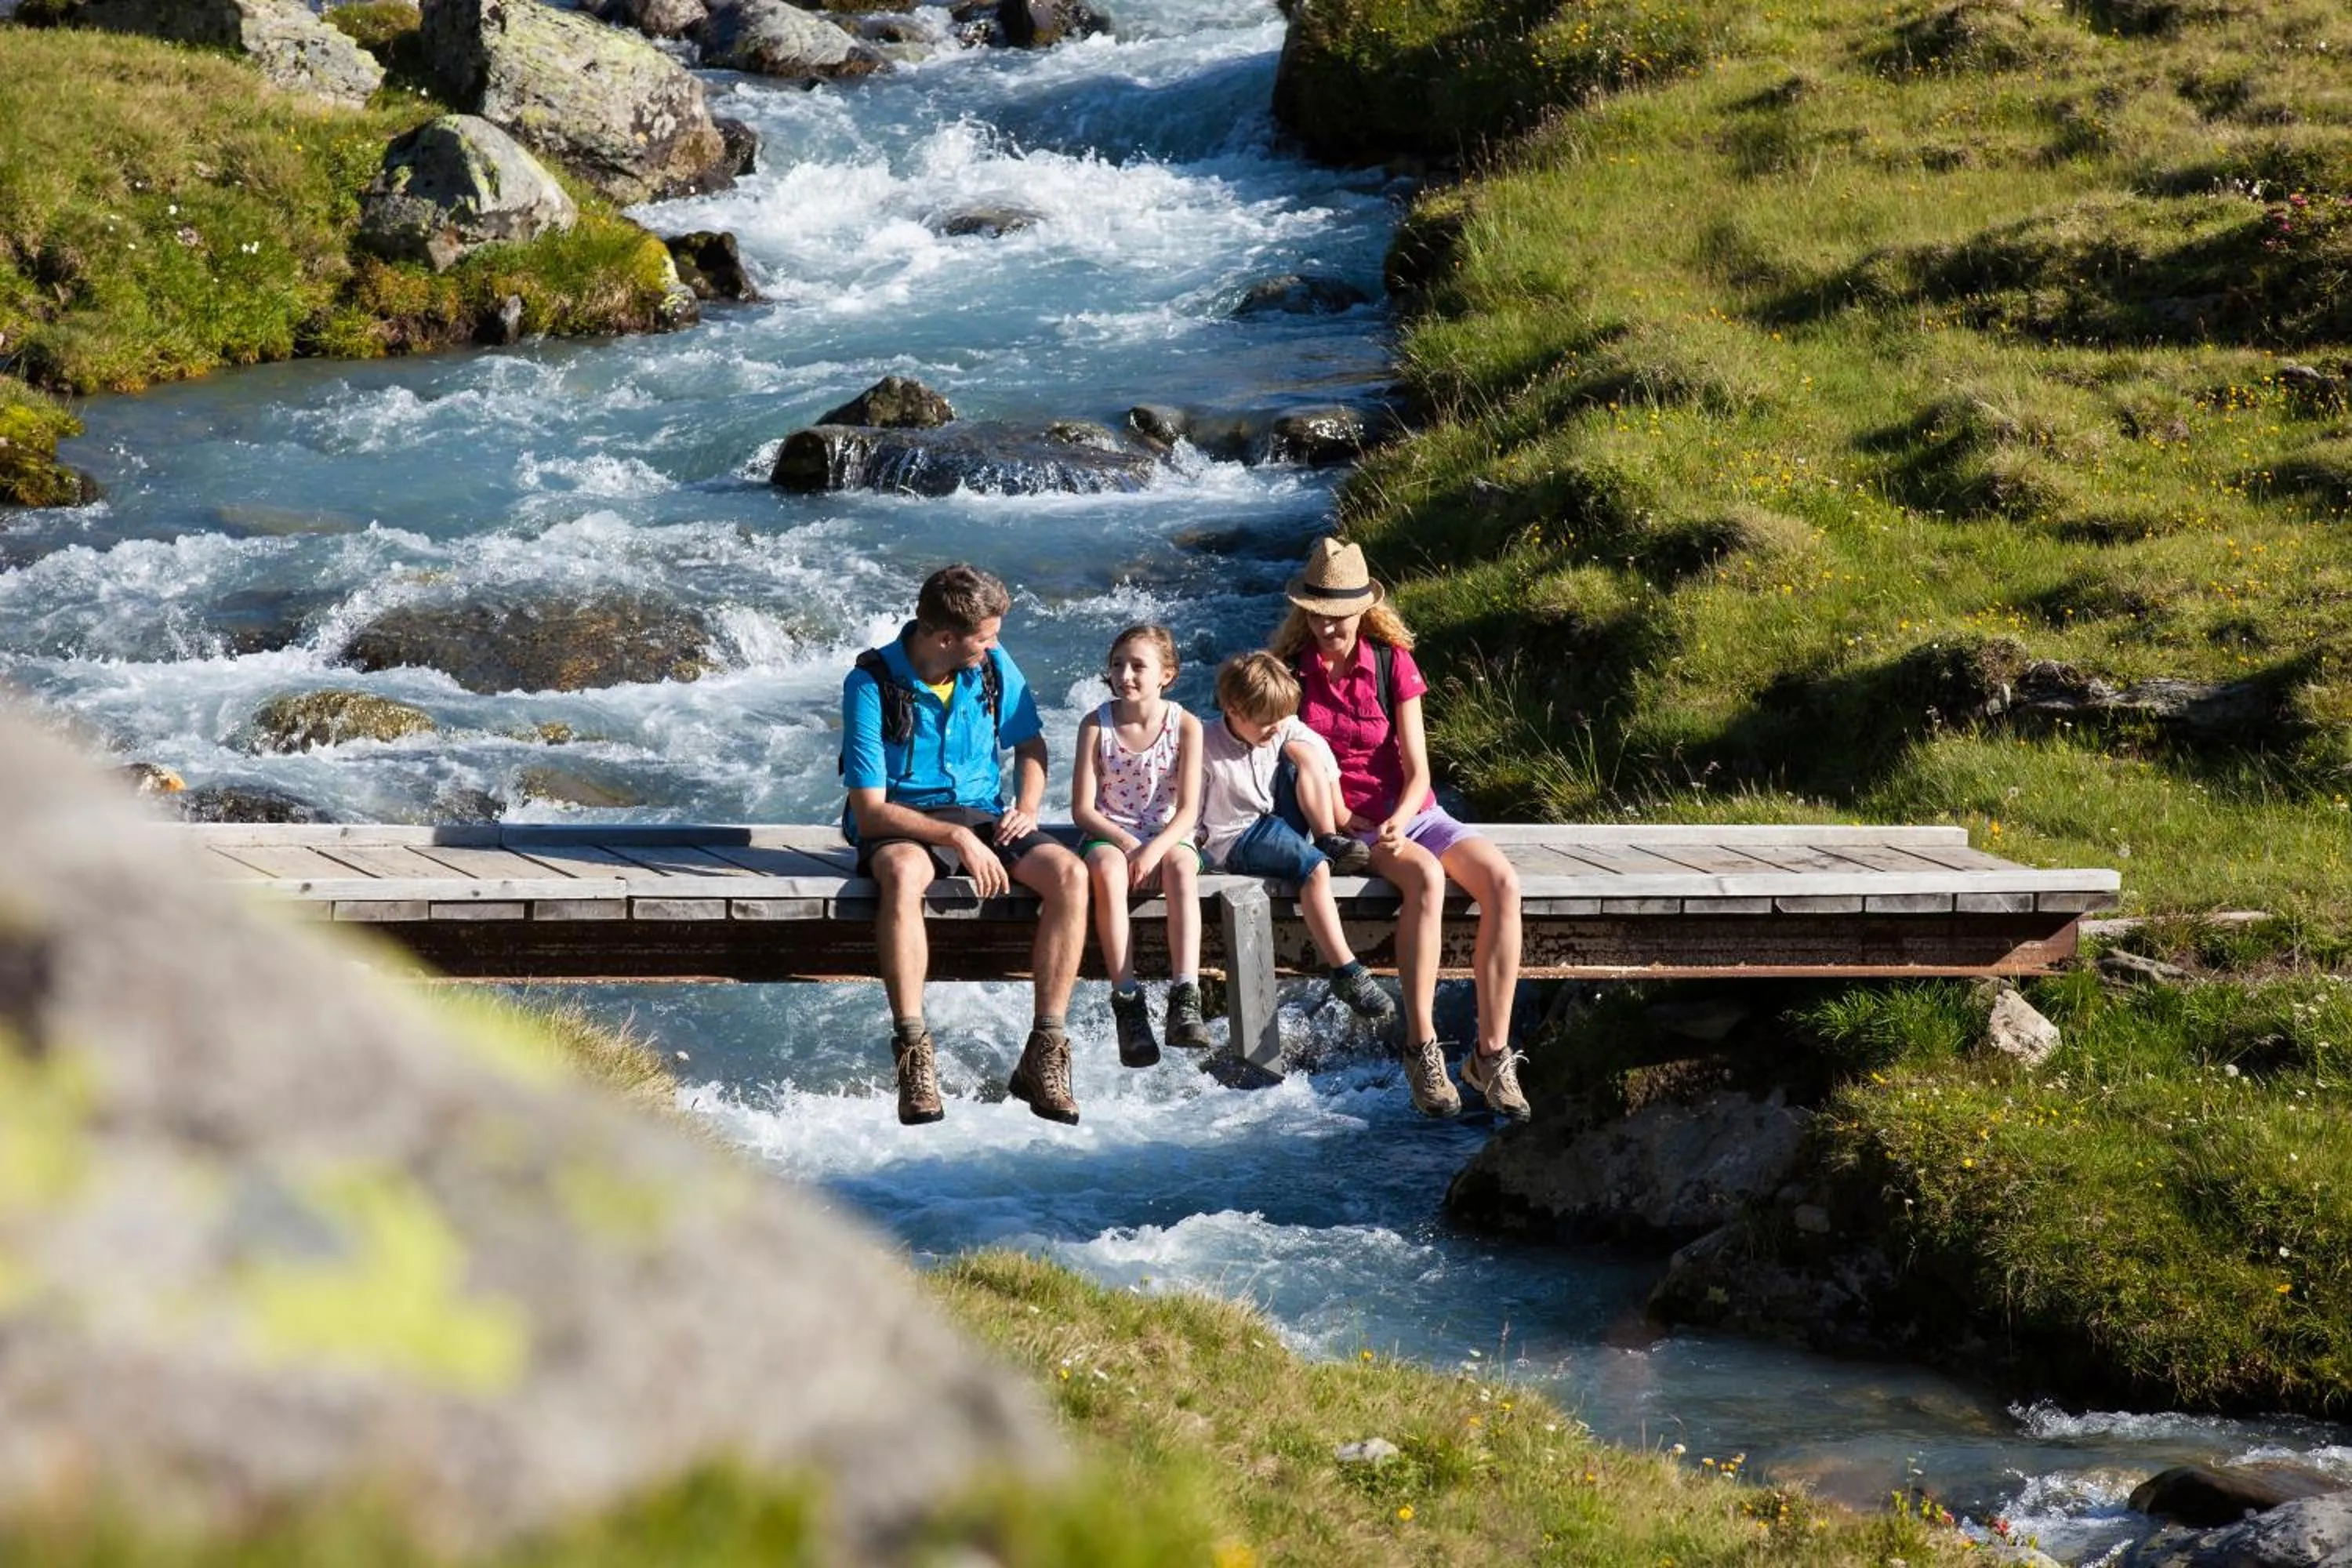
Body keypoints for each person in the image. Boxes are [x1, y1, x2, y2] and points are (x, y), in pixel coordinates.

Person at [1272, 537, 1530, 1121]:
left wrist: (1402, 816)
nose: (1327, 627)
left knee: (1503, 883)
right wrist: (1344, 817)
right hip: (1345, 825)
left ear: (1363, 611)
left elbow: (1419, 771)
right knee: (1425, 877)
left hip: (1413, 811)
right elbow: (1289, 762)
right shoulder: (1291, 675)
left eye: (1339, 616)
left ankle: (1491, 1055)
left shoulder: (1392, 663)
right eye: (1317, 615)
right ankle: (1422, 1047)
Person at [840, 564, 1089, 1127]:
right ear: (945, 638)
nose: (994, 645)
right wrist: (954, 836)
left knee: (1070, 875)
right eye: (986, 637)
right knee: (903, 874)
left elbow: (1031, 745)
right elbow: (870, 811)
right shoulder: (870, 684)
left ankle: (1044, 1050)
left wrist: (1027, 808)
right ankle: (913, 1051)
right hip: (903, 818)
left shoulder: (991, 665)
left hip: (985, 813)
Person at [1197, 651, 1398, 1033]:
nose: (1276, 730)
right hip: (1237, 835)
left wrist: (1338, 808)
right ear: (1233, 709)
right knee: (1316, 870)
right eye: (1267, 724)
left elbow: (1319, 752)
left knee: (1303, 752)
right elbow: (1189, 805)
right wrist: (1191, 850)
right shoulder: (1205, 743)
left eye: (1281, 721)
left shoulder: (1278, 725)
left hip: (1275, 819)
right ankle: (1346, 970)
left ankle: (1328, 838)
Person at [1070, 624, 1209, 1065]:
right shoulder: (1096, 725)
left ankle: (1185, 994)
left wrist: (1154, 849)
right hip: (1111, 831)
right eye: (1117, 665)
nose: (1125, 675)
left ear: (1167, 674)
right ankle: (1127, 1000)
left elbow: (1188, 810)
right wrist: (1129, 843)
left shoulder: (1186, 726)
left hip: (1168, 833)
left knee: (1182, 870)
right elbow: (1083, 810)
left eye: (1138, 666)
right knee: (1108, 871)